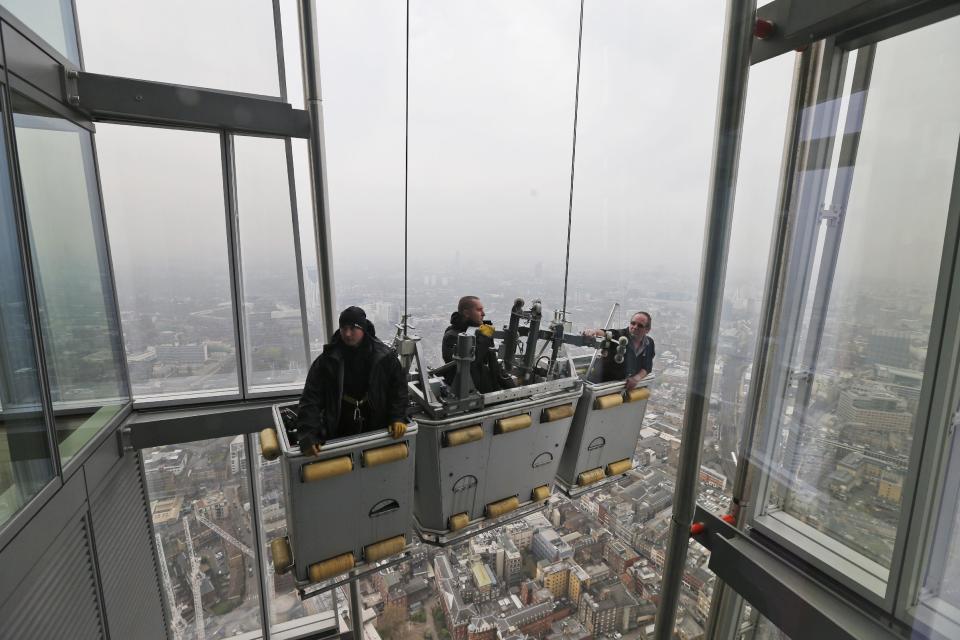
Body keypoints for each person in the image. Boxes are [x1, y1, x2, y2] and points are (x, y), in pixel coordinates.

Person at [295, 306, 408, 455]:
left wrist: (397, 417)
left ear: (363, 329)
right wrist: (309, 434)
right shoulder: (327, 361)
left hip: (375, 424)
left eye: (353, 329)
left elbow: (398, 389)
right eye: (343, 328)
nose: (347, 334)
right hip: (339, 426)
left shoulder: (384, 358)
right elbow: (311, 398)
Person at [441, 296, 516, 393]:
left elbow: (494, 367)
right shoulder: (452, 336)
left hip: (488, 391)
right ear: (466, 313)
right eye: (479, 310)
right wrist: (485, 338)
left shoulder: (480, 332)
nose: (483, 314)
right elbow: (468, 366)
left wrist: (513, 390)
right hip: (469, 394)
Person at [583, 311, 655, 390]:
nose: (635, 327)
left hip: (621, 387)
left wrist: (636, 378)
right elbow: (606, 333)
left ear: (647, 330)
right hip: (600, 384)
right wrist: (593, 332)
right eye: (633, 323)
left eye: (640, 325)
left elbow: (647, 366)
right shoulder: (620, 336)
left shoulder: (649, 343)